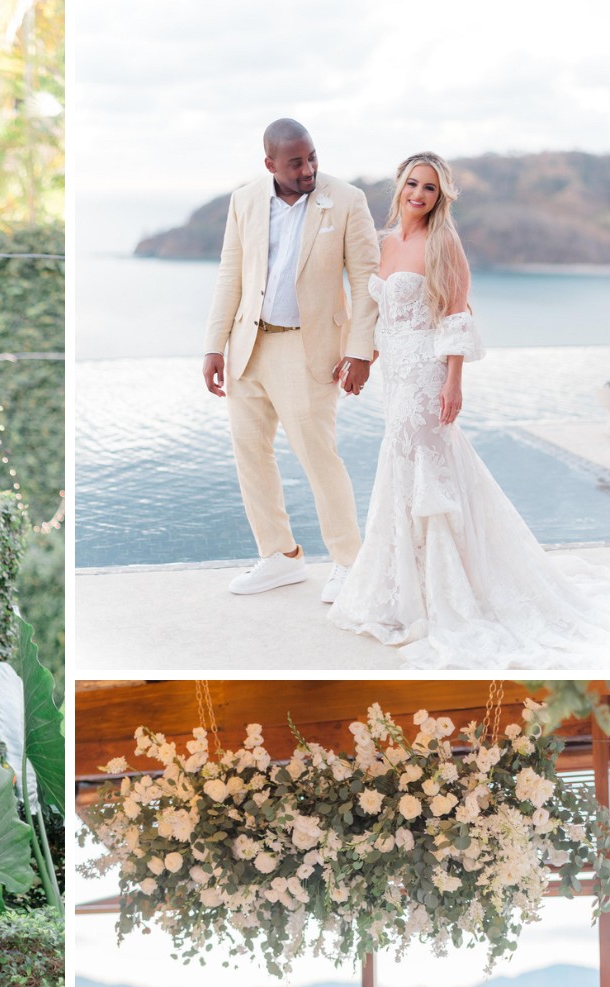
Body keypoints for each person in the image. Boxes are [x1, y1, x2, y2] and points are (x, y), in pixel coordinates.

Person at [328, 152, 610, 666]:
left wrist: (454, 381)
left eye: (430, 188)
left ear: (441, 197)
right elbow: (384, 314)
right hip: (395, 373)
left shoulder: (443, 242)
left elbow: (455, 313)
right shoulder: (388, 242)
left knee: (423, 470)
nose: (418, 193)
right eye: (413, 183)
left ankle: (447, 594)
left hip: (427, 375)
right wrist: (360, 356)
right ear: (399, 186)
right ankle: (405, 586)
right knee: (403, 467)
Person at [202, 118, 379, 602]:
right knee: (250, 453)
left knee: (319, 455)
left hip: (309, 349)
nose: (309, 169)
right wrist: (214, 345)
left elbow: (366, 281)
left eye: (312, 157)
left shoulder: (346, 200)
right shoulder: (245, 200)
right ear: (270, 164)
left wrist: (360, 351)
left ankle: (348, 561)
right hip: (248, 348)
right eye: (296, 162)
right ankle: (280, 557)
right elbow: (230, 276)